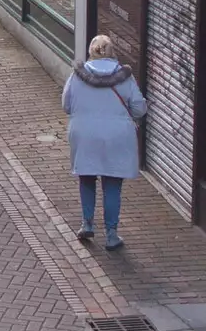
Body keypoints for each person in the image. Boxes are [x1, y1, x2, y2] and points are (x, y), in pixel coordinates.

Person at [63, 35, 148, 250]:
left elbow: (66, 104)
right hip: (116, 137)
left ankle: (87, 224)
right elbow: (139, 108)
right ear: (112, 52)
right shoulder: (125, 77)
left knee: (87, 178)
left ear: (91, 51)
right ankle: (111, 235)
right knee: (112, 184)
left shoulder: (77, 75)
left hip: (85, 134)